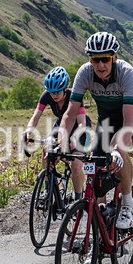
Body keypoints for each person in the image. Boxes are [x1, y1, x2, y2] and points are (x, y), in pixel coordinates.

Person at [58, 32, 133, 230]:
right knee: (95, 166)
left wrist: (116, 149)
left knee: (119, 149)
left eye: (105, 59)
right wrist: (59, 141)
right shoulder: (85, 73)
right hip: (106, 122)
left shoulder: (126, 73)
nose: (100, 65)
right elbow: (70, 114)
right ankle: (101, 219)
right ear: (90, 60)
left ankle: (127, 205)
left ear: (114, 57)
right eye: (95, 59)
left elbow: (128, 122)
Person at [24, 66, 89, 199]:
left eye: (58, 92)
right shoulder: (46, 96)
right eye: (51, 92)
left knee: (76, 165)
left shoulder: (74, 96)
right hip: (61, 126)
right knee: (47, 151)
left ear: (66, 87)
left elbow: (82, 123)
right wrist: (28, 132)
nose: (54, 95)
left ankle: (78, 198)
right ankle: (48, 189)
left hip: (79, 127)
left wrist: (74, 138)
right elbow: (35, 117)